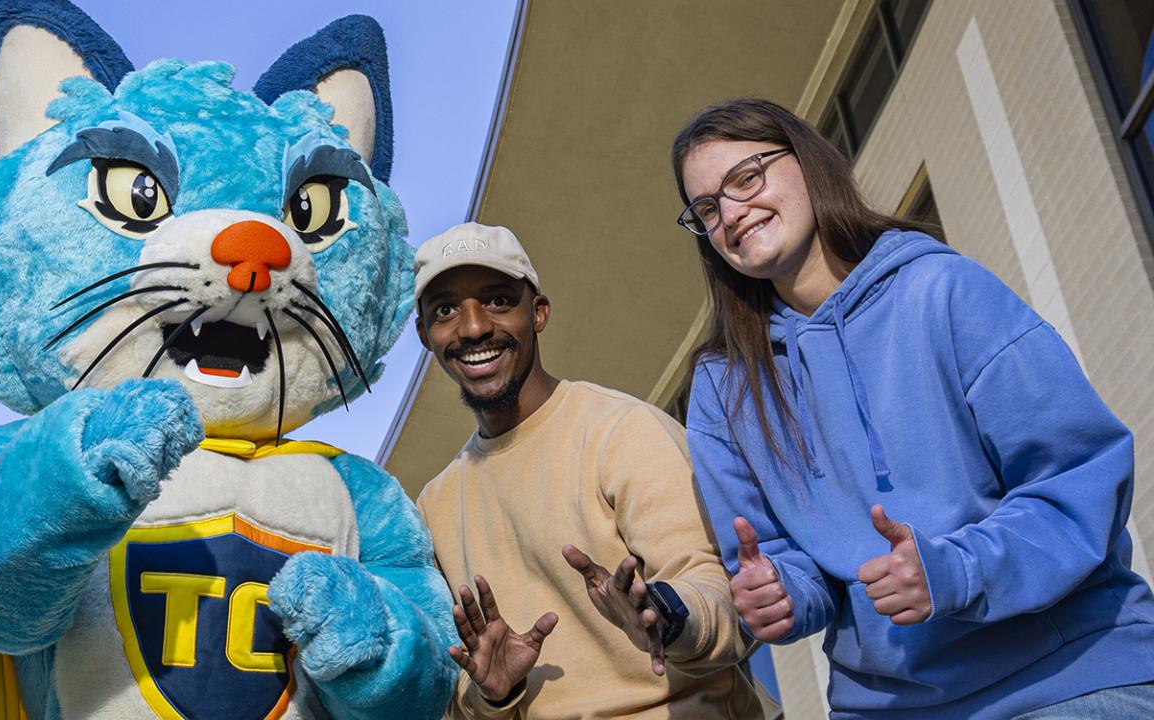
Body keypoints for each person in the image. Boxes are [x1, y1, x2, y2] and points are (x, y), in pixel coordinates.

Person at [673, 97, 1154, 719]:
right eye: (707, 208)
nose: (732, 213)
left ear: (808, 164)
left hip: (1068, 673)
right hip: (890, 706)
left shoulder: (944, 291)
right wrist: (782, 593)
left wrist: (954, 570)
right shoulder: (725, 388)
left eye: (746, 177)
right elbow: (787, 563)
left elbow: (1079, 482)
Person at [413, 222, 773, 719]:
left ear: (537, 313)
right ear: (424, 334)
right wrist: (493, 696)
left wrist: (665, 617)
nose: (473, 327)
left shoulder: (623, 431)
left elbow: (721, 594)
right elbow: (458, 699)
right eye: (446, 310)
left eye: (498, 300)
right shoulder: (434, 506)